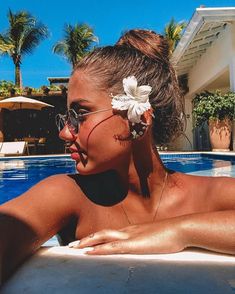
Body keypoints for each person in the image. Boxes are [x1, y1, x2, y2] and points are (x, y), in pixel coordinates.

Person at [0, 29, 235, 284]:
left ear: (139, 122)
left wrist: (180, 230)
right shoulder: (69, 196)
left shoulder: (210, 195)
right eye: (67, 118)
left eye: (80, 115)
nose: (66, 133)